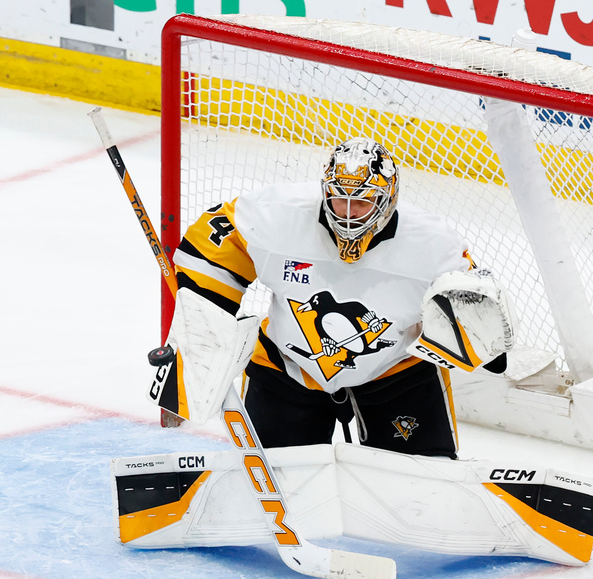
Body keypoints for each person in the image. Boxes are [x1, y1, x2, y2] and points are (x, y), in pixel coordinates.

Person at [161, 137, 512, 459]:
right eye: (338, 198)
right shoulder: (277, 216)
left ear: (387, 199)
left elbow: (473, 304)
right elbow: (211, 246)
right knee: (269, 486)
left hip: (395, 374)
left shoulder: (433, 247)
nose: (346, 212)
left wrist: (486, 346)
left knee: (424, 485)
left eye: (360, 202)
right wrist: (202, 333)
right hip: (287, 369)